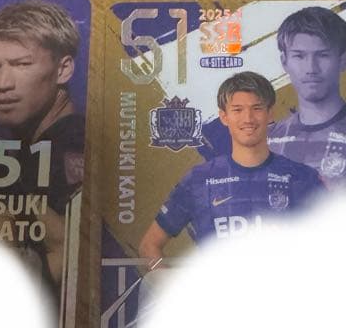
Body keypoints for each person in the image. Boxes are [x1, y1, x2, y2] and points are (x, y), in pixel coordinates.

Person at [139, 71, 324, 265]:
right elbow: (149, 246)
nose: (248, 118)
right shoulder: (199, 180)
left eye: (257, 108)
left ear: (270, 113)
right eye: (237, 110)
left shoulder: (303, 178)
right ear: (224, 117)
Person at [0, 0, 86, 283]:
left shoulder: (70, 149)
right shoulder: (22, 152)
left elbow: (75, 262)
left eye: (22, 64)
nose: (3, 83)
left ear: (63, 70)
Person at [267, 5, 346, 188]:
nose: (311, 69)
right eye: (299, 56)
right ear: (284, 62)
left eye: (323, 55)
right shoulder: (270, 139)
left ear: (343, 61)